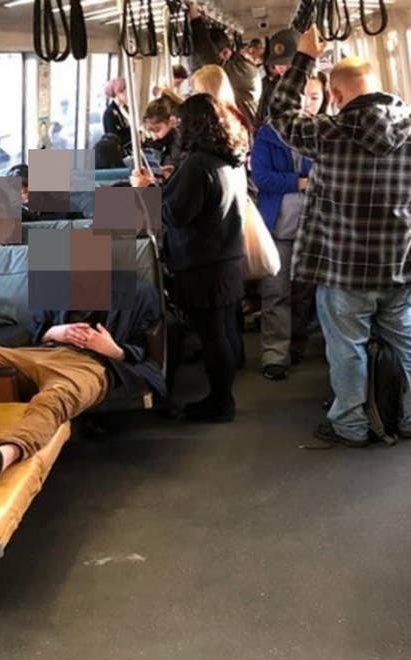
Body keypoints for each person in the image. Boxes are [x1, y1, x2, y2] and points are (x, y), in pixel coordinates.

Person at [269, 28, 411, 447]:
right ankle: (409, 415)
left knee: (347, 348)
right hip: (404, 262)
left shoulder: (329, 134)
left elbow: (280, 112)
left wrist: (303, 59)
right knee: (406, 340)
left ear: (335, 94)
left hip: (343, 266)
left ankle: (351, 423)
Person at [0, 280, 166, 485]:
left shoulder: (138, 293)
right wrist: (54, 332)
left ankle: (3, 455)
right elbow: (36, 330)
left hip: (92, 365)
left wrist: (112, 349)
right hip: (42, 353)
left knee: (54, 400)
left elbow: (148, 352)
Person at [131, 93, 249, 422]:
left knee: (213, 336)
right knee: (223, 330)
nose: (177, 129)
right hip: (224, 256)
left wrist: (145, 191)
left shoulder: (198, 164)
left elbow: (177, 214)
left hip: (202, 263)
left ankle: (221, 402)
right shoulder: (224, 157)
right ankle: (223, 396)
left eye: (181, 123)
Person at [253, 71, 329, 381]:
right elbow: (262, 178)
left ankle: (296, 344)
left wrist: (304, 183)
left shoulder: (328, 133)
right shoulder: (268, 135)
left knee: (304, 293)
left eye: (315, 97)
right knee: (275, 291)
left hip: (316, 227)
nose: (307, 103)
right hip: (277, 226)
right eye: (302, 96)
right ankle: (275, 352)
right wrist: (300, 182)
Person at [187, 1, 261, 135]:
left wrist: (195, 15)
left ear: (226, 53)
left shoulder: (240, 72)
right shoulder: (242, 66)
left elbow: (207, 55)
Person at [256, 29, 299, 126]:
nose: (281, 67)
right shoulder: (271, 86)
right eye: (277, 63)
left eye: (287, 63)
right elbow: (261, 117)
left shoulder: (312, 88)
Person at [142, 90, 184, 174]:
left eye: (157, 130)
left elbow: (170, 168)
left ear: (172, 121)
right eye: (151, 132)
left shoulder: (179, 141)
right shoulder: (171, 141)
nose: (154, 137)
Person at [103, 77, 132, 156]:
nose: (129, 95)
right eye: (127, 92)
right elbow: (114, 139)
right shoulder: (109, 113)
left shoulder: (126, 109)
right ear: (119, 93)